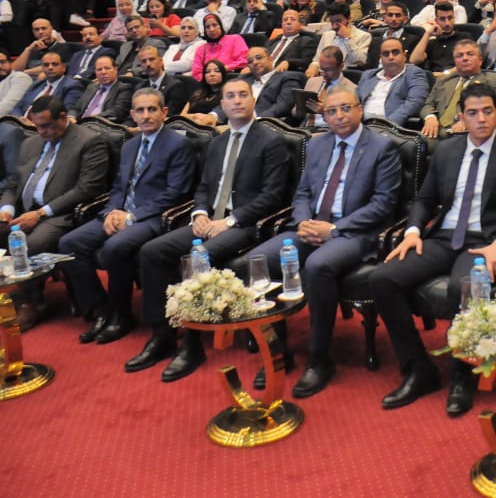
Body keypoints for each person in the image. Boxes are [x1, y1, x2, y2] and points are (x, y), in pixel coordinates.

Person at [370, 83, 496, 415]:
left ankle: (463, 376)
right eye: (473, 113)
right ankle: (418, 368)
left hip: (484, 243)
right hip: (443, 237)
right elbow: (424, 200)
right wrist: (412, 231)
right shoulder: (448, 150)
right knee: (382, 279)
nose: (481, 119)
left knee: (462, 287)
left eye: (488, 111)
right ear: (462, 117)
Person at [126, 78, 292, 381]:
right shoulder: (216, 142)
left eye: (243, 95)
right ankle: (162, 335)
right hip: (208, 219)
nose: (237, 100)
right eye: (230, 96)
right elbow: (203, 187)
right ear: (223, 104)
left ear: (253, 100)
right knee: (152, 251)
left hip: (244, 224)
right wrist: (200, 213)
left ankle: (192, 346)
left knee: (198, 255)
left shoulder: (271, 141)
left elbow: (273, 196)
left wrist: (228, 221)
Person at [249, 86, 400, 397]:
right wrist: (304, 222)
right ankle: (279, 349)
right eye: (331, 111)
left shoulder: (382, 148)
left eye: (346, 108)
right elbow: (303, 193)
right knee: (261, 258)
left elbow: (383, 204)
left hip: (355, 231)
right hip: (311, 226)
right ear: (324, 116)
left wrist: (334, 229)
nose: (340, 116)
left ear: (360, 109)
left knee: (318, 266)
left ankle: (319, 358)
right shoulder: (316, 144)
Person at [59, 88, 196, 344]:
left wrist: (131, 217)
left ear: (164, 112)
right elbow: (119, 187)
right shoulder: (130, 145)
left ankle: (122, 315)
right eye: (140, 111)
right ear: (132, 114)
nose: (146, 115)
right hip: (120, 212)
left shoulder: (179, 145)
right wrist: (112, 212)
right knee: (69, 243)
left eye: (152, 109)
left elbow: (176, 193)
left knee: (115, 246)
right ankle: (102, 309)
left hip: (153, 217)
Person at [0, 95, 110, 327]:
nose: (41, 132)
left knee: (32, 243)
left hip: (61, 213)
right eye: (37, 126)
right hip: (23, 210)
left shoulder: (89, 141)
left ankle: (29, 303)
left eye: (47, 126)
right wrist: (6, 209)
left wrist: (41, 213)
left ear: (63, 117)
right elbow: (13, 183)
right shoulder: (31, 143)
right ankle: (9, 296)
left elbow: (87, 188)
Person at [419, 40, 496, 139]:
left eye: (470, 54)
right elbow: (428, 105)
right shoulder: (443, 80)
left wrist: (467, 121)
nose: (464, 58)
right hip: (436, 131)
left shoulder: (494, 80)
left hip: (470, 132)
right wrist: (430, 117)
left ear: (480, 60)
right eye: (459, 56)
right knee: (412, 143)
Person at [358, 38, 430, 126]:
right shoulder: (368, 75)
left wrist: (387, 125)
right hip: (362, 126)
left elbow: (415, 103)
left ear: (404, 56)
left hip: (392, 127)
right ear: (381, 58)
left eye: (395, 53)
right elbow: (355, 101)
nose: (391, 57)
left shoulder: (414, 73)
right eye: (386, 54)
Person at [11, 51, 84, 116]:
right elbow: (18, 106)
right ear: (42, 68)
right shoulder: (36, 84)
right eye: (46, 65)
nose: (50, 68)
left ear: (63, 67)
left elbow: (67, 111)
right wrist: (20, 119)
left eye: (55, 64)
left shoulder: (72, 85)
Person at [71, 56, 132, 122]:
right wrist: (71, 117)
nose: (103, 72)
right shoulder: (91, 87)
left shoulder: (124, 88)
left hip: (101, 124)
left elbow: (116, 111)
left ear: (115, 70)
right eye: (99, 70)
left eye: (107, 68)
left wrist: (89, 119)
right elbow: (77, 108)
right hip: (80, 124)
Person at [191, 12, 248, 80]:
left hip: (233, 79)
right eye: (208, 27)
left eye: (214, 25)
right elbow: (196, 73)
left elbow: (244, 60)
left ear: (220, 25)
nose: (211, 29)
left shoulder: (235, 39)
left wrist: (226, 68)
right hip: (209, 82)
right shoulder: (201, 49)